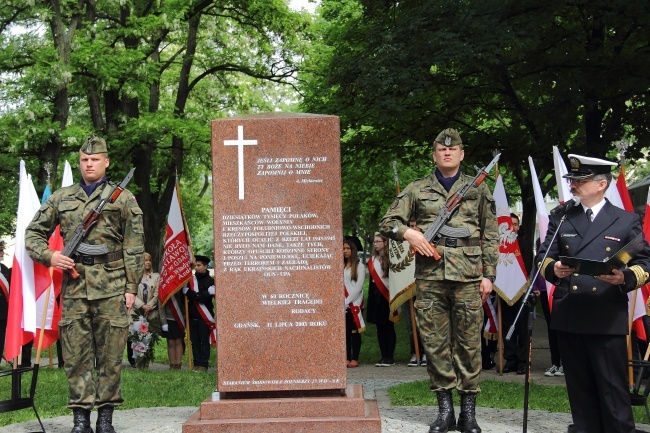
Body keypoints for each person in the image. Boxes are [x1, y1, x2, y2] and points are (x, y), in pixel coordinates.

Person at [380, 128, 498, 433]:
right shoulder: (417, 189)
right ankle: (445, 411)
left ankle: (468, 413)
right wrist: (409, 233)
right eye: (441, 150)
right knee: (435, 344)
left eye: (453, 149)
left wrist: (490, 275)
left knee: (470, 344)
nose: (447, 153)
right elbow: (389, 222)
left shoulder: (479, 189)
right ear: (434, 155)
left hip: (469, 277)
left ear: (461, 154)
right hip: (431, 277)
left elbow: (490, 233)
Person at [25, 135, 145, 433]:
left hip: (112, 287)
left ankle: (105, 419)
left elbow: (134, 247)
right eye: (84, 160)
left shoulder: (124, 198)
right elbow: (32, 234)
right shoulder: (62, 198)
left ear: (106, 162)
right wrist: (51, 256)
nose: (89, 164)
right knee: (76, 357)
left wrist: (132, 288)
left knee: (110, 356)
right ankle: (81, 420)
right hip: (75, 289)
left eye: (94, 160)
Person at [536, 154, 650, 433]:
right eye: (572, 180)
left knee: (612, 390)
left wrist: (622, 277)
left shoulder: (624, 220)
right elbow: (543, 257)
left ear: (601, 184)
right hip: (570, 313)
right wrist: (555, 269)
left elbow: (645, 262)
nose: (573, 185)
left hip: (605, 314)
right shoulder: (562, 216)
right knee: (580, 390)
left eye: (580, 180)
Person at [498, 213, 527, 375]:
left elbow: (529, 267)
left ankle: (523, 361)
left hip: (522, 291)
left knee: (522, 328)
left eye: (515, 224)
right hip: (504, 290)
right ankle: (510, 359)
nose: (513, 227)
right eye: (511, 224)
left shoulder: (524, 243)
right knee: (507, 326)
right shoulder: (501, 245)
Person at [366, 233, 396, 367]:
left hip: (387, 295)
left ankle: (389, 356)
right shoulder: (372, 259)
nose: (375, 244)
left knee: (388, 326)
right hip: (375, 295)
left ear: (385, 243)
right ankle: (383, 355)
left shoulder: (391, 258)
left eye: (378, 241)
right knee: (379, 327)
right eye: (374, 242)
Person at [128, 252, 160, 366]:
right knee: (135, 334)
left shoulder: (155, 276)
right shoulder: (133, 277)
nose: (148, 262)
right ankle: (134, 361)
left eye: (149, 260)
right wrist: (142, 306)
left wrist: (149, 306)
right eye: (145, 260)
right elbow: (131, 292)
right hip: (136, 310)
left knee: (147, 336)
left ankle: (145, 360)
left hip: (150, 312)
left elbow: (157, 294)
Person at [184, 255, 214, 372]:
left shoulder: (210, 281)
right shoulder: (190, 281)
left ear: (206, 266)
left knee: (204, 341)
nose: (197, 268)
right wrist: (189, 292)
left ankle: (203, 364)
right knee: (194, 341)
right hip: (192, 315)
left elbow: (202, 298)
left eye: (199, 265)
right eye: (196, 265)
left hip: (204, 317)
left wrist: (191, 294)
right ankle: (196, 363)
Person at [405, 218, 426, 367]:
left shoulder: (428, 241)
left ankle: (427, 353)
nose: (414, 229)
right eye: (411, 226)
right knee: (410, 325)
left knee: (426, 323)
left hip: (425, 288)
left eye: (416, 226)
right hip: (408, 287)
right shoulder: (404, 244)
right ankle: (415, 352)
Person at [344, 238, 366, 368]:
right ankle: (346, 357)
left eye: (348, 249)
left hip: (355, 303)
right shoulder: (341, 266)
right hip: (344, 304)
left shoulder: (360, 266)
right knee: (345, 332)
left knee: (354, 332)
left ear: (353, 250)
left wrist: (347, 301)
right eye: (344, 248)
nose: (345, 251)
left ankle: (355, 358)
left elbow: (358, 287)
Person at [160, 290, 186, 370]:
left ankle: (178, 364)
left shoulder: (180, 286)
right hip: (168, 318)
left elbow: (184, 303)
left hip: (179, 318)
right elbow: (161, 306)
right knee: (171, 342)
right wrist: (163, 322)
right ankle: (172, 364)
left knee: (178, 341)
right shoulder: (164, 286)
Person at [0, 241, 10, 364]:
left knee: (1, 338)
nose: (2, 253)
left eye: (2, 250)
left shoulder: (4, 269)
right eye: (0, 251)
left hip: (3, 311)